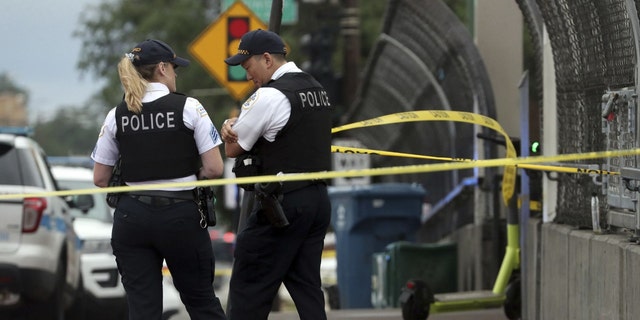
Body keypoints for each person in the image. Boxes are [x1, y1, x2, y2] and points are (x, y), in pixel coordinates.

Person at [91, 39, 227, 320]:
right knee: (201, 301)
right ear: (163, 69)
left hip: (132, 219)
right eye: (175, 69)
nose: (176, 75)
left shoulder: (117, 114)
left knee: (143, 308)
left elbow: (100, 177)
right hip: (180, 216)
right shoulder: (189, 107)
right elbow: (215, 169)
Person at [220, 29, 333, 320]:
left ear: (267, 59)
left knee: (249, 281)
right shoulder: (315, 88)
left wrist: (229, 124)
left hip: (283, 204)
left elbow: (233, 149)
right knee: (307, 287)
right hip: (317, 200)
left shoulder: (270, 95)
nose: (248, 76)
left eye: (248, 67)